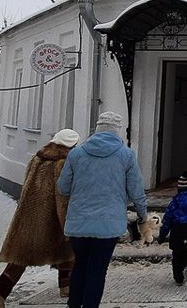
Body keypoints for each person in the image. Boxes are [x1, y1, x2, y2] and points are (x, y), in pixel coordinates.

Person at [57, 112, 148, 308]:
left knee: (80, 265)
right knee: (97, 270)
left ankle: (74, 306)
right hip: (109, 224)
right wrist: (142, 214)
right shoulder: (126, 155)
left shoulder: (76, 154)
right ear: (117, 131)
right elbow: (136, 190)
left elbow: (62, 187)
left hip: (78, 223)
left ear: (96, 129)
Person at [0, 129, 80, 308]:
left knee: (23, 257)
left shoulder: (38, 158)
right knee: (65, 247)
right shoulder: (62, 164)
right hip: (49, 219)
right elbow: (62, 197)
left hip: (28, 215)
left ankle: (65, 286)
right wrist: (67, 223)